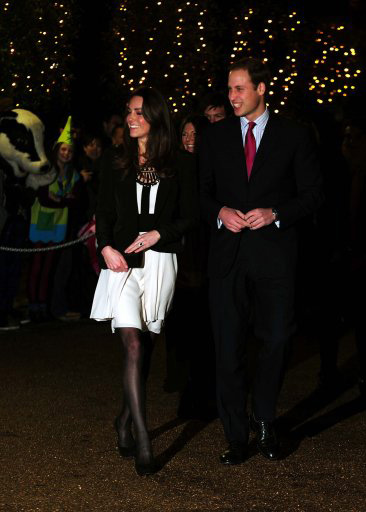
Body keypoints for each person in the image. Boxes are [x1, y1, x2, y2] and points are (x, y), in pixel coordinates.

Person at [199, 58, 323, 465]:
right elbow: (200, 193)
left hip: (275, 257)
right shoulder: (215, 137)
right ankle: (236, 434)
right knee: (229, 347)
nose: (232, 97)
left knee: (277, 339)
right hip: (228, 257)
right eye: (229, 89)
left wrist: (276, 212)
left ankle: (265, 418)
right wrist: (220, 212)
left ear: (262, 88)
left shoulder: (294, 135)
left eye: (239, 89)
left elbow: (313, 195)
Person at [90, 87, 199, 476]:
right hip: (121, 264)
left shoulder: (180, 164)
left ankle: (122, 420)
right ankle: (143, 438)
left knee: (145, 349)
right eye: (129, 112)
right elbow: (102, 209)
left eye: (138, 112)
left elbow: (191, 215)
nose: (130, 119)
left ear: (155, 117)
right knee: (133, 344)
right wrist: (105, 247)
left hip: (160, 265)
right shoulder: (115, 160)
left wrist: (159, 234)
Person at [28, 117, 83, 321]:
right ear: (56, 149)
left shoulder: (73, 175)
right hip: (40, 222)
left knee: (49, 267)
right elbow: (43, 198)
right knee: (36, 266)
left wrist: (58, 199)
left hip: (59, 224)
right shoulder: (46, 170)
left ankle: (44, 306)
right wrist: (63, 199)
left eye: (69, 151)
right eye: (63, 150)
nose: (66, 154)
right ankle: (33, 306)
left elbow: (76, 200)